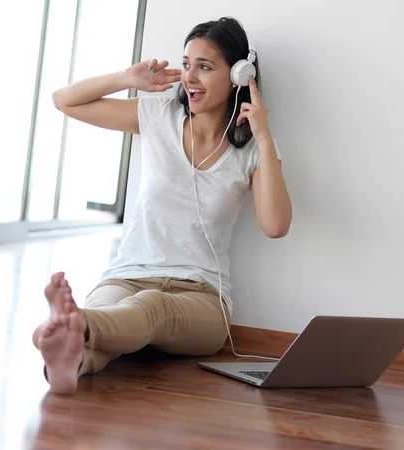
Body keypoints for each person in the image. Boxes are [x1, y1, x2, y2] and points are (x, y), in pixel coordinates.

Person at [32, 16, 292, 394]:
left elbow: (276, 225)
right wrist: (126, 78)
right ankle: (70, 359)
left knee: (147, 305)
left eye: (204, 67)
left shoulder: (252, 150)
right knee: (111, 316)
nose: (189, 77)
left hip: (201, 298)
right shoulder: (158, 116)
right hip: (126, 275)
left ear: (239, 76)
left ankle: (76, 324)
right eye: (186, 65)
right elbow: (63, 101)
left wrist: (265, 138)